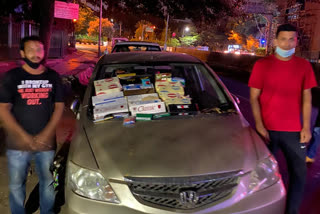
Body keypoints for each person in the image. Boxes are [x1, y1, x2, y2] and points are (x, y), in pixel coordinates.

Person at [248, 24, 317, 214]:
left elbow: (307, 99)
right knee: (259, 176)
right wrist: (260, 125)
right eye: (283, 39)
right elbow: (254, 97)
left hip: (294, 131)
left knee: (299, 174)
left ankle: (291, 211)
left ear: (296, 41)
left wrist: (306, 128)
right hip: (267, 131)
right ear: (276, 41)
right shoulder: (262, 65)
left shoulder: (304, 66)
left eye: (291, 39)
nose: (287, 44)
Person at [0, 36, 64, 214]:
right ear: (22, 53)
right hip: (17, 144)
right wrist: (24, 137)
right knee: (16, 184)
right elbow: (3, 109)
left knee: (48, 182)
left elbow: (59, 107)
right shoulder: (12, 77)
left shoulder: (53, 76)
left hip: (47, 144)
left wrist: (45, 135)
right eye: (31, 49)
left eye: (39, 49)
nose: (36, 53)